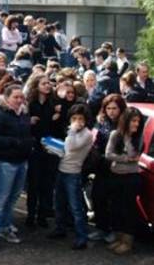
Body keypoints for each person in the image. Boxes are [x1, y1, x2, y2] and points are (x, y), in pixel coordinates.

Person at [0, 84, 33, 251]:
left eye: (21, 97)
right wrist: (15, 143)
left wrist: (28, 145)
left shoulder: (24, 114)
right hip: (4, 161)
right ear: (7, 98)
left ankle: (5, 227)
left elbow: (27, 134)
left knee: (12, 197)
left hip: (21, 161)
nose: (19, 101)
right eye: (16, 97)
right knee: (0, 198)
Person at [47, 104, 93, 250]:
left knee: (76, 206)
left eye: (80, 119)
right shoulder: (71, 131)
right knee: (59, 202)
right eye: (74, 118)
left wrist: (72, 130)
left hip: (73, 173)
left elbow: (72, 146)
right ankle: (60, 228)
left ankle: (82, 237)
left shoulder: (86, 134)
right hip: (62, 170)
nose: (77, 122)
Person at [104, 107, 143, 255]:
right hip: (116, 176)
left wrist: (128, 158)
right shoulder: (116, 135)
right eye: (133, 121)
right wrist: (126, 159)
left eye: (138, 121)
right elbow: (108, 154)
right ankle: (119, 237)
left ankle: (128, 241)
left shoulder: (137, 137)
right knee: (117, 208)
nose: (136, 124)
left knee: (129, 210)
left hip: (131, 178)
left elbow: (137, 156)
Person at [88, 94, 127, 243]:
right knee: (98, 197)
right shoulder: (102, 122)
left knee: (116, 202)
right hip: (101, 166)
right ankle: (101, 228)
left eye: (114, 108)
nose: (111, 111)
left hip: (117, 167)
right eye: (108, 108)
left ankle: (114, 230)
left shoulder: (124, 124)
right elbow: (95, 140)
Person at [25, 74, 59, 228]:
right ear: (36, 85)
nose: (47, 86)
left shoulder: (53, 104)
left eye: (49, 83)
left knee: (47, 183)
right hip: (34, 148)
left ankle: (42, 215)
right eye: (44, 83)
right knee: (33, 183)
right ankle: (31, 215)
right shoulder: (30, 104)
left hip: (49, 148)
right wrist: (28, 121)